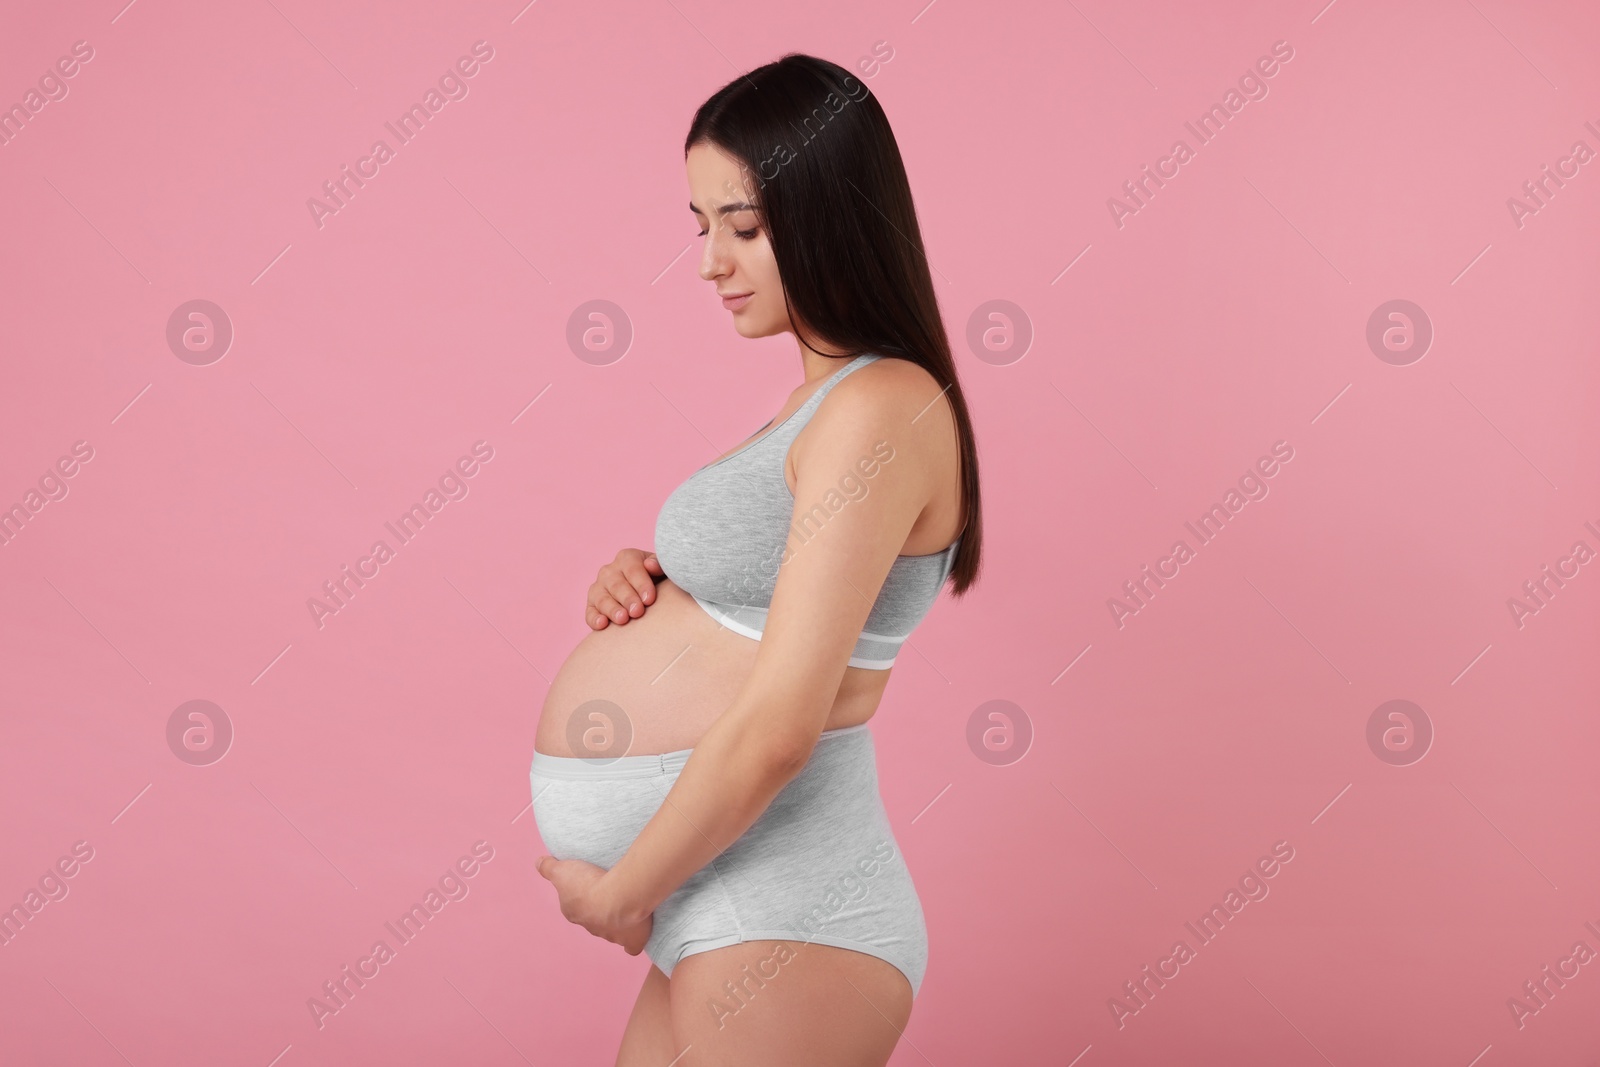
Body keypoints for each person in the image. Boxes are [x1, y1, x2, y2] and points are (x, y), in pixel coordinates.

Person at [530, 52, 983, 1067]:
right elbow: (774, 601)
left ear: (832, 212)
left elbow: (781, 725)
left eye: (742, 226)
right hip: (728, 887)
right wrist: (658, 583)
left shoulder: (879, 406)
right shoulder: (819, 403)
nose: (708, 262)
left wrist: (622, 889)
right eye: (700, 227)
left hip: (789, 901)